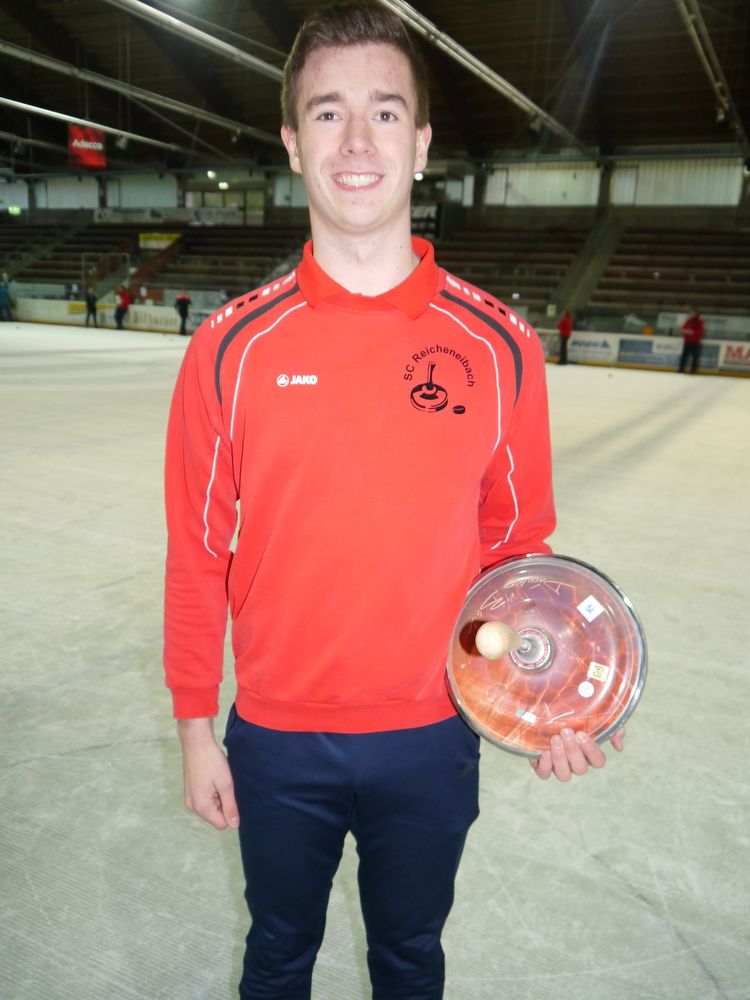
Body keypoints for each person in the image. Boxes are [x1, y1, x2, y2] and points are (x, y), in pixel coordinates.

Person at [163, 5, 625, 999]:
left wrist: (555, 696)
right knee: (276, 955)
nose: (357, 142)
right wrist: (197, 727)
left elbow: (518, 552)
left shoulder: (500, 346)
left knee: (410, 961)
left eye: (384, 113)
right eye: (327, 114)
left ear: (420, 143)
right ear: (294, 143)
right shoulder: (229, 351)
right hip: (276, 737)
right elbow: (198, 554)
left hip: (432, 735)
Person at [679, 306, 704, 373]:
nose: (691, 314)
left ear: (696, 313)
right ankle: (681, 370)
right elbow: (683, 328)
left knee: (695, 357)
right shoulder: (688, 320)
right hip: (687, 341)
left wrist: (693, 332)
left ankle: (693, 371)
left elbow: (701, 331)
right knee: (684, 356)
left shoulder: (700, 321)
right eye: (690, 313)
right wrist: (684, 331)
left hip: (695, 342)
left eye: (693, 313)